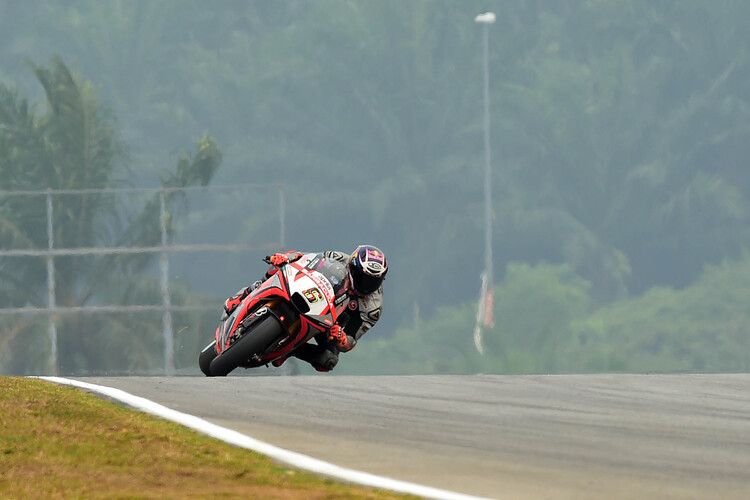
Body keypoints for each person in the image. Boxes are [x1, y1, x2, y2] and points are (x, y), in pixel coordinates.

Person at [222, 244, 387, 372]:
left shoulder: (372, 308)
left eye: (373, 281)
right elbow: (305, 258)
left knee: (328, 361)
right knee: (279, 267)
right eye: (361, 276)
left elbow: (351, 341)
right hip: (311, 291)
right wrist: (284, 257)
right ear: (352, 265)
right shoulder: (338, 258)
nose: (365, 286)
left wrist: (341, 338)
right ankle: (245, 294)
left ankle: (289, 350)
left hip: (329, 322)